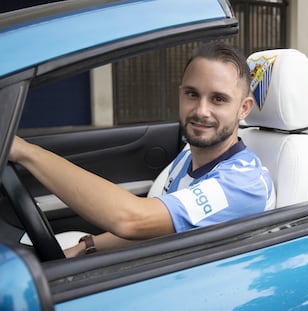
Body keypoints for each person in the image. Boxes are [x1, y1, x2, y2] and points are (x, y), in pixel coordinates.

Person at [8, 42, 275, 257]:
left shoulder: (242, 183)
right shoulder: (189, 154)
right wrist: (87, 246)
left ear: (244, 108)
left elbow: (133, 220)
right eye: (192, 94)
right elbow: (161, 228)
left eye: (218, 99)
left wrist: (25, 152)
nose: (201, 111)